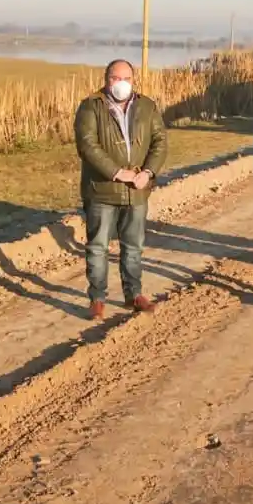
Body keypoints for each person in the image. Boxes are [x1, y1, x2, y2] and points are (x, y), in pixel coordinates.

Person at [74, 59, 169, 320]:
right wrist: (117, 172)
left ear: (133, 80)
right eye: (115, 78)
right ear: (106, 79)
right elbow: (87, 145)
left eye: (126, 78)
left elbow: (160, 142)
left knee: (134, 245)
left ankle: (134, 294)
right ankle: (97, 298)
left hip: (137, 191)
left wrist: (147, 173)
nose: (121, 83)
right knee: (98, 246)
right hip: (102, 190)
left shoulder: (147, 106)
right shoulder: (90, 107)